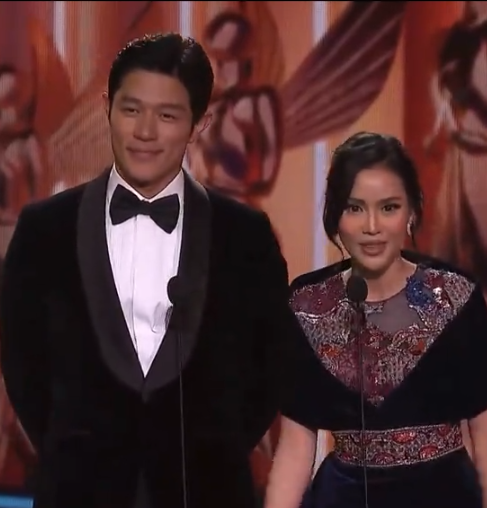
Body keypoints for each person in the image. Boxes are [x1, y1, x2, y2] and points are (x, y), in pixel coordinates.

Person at [0, 32, 294, 508]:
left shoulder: (246, 237)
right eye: (131, 110)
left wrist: (209, 452)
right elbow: (22, 364)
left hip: (207, 492)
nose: (145, 131)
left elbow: (270, 367)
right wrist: (70, 449)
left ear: (199, 124)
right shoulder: (44, 230)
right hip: (78, 492)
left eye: (167, 115)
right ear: (107, 108)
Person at [264, 131, 487, 508]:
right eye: (355, 208)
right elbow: (296, 444)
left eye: (389, 207)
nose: (372, 226)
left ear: (411, 213)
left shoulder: (455, 297)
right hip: (343, 496)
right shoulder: (307, 304)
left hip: (443, 494)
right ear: (335, 216)